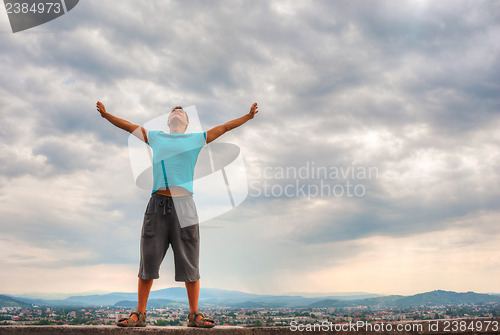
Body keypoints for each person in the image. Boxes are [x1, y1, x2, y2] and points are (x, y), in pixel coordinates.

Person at [95, 101, 259, 327]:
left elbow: (224, 128)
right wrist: (106, 115)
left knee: (190, 261)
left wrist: (247, 117)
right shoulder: (156, 137)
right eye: (174, 110)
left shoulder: (196, 139)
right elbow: (129, 126)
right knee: (148, 259)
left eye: (181, 111)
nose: (177, 112)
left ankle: (194, 316)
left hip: (185, 205)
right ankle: (139, 315)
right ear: (168, 120)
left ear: (187, 122)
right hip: (157, 203)